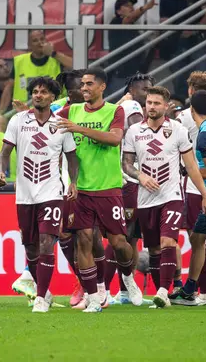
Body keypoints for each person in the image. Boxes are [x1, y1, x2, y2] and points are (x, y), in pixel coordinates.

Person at [55, 67, 144, 312]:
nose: (84, 88)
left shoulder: (114, 110)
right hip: (81, 189)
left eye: (89, 84)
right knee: (84, 241)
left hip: (109, 187)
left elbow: (115, 139)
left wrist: (79, 128)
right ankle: (95, 298)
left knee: (119, 243)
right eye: (82, 84)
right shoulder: (71, 110)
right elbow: (48, 121)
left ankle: (127, 276)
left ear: (102, 86)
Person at [122, 86, 206, 308]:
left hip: (171, 196)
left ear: (166, 106)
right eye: (149, 103)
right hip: (145, 199)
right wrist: (140, 175)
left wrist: (204, 194)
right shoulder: (134, 131)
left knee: (168, 242)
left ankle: (164, 292)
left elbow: (191, 165)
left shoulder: (178, 130)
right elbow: (126, 163)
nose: (151, 107)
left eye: (156, 103)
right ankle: (161, 294)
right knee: (154, 249)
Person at [0, 77, 79, 313]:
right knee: (31, 247)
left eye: (43, 92)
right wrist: (2, 171)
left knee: (46, 243)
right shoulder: (18, 120)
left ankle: (41, 297)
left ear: (53, 97)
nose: (38, 95)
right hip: (24, 195)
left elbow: (72, 158)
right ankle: (46, 292)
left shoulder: (61, 125)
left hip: (52, 192)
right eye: (35, 91)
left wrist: (73, 182)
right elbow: (5, 151)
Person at [169, 90, 206, 306]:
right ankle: (190, 289)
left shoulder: (204, 133)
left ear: (191, 109)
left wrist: (186, 170)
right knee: (197, 239)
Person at [106, 72, 155, 305]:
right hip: (129, 182)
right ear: (131, 91)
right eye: (145, 89)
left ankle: (126, 292)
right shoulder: (133, 106)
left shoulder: (124, 107)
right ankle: (108, 289)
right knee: (122, 237)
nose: (149, 94)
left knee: (132, 238)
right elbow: (140, 134)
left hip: (135, 181)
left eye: (151, 89)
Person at [0, 30, 73, 113]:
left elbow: (76, 66)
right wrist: (0, 112)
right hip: (24, 111)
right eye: (35, 40)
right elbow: (8, 88)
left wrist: (53, 53)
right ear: (29, 45)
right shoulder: (20, 61)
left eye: (42, 39)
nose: (40, 43)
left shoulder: (56, 59)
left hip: (53, 111)